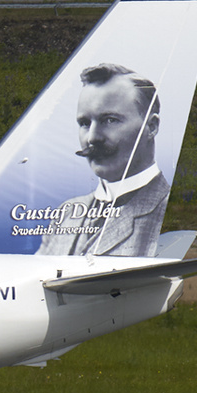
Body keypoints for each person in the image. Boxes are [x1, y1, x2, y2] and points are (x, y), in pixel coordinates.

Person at [36, 63, 169, 257]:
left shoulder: (167, 212)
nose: (92, 138)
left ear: (151, 127)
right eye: (84, 123)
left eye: (110, 120)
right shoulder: (66, 213)